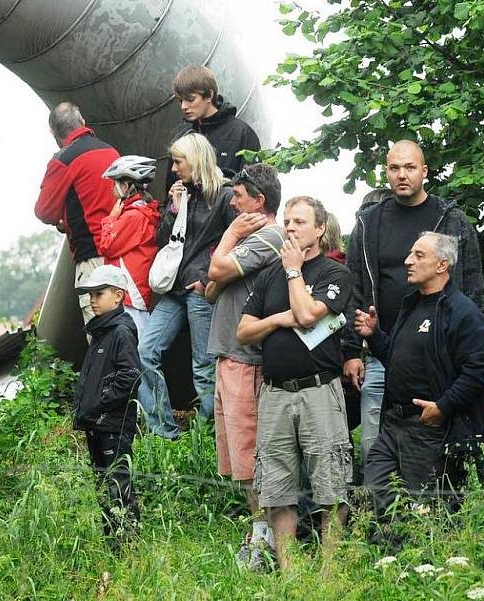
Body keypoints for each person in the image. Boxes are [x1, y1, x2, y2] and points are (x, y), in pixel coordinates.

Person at [342, 140, 484, 468]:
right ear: (387, 173)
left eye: (409, 168)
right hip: (382, 355)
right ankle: (384, 520)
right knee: (374, 449)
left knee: (438, 453)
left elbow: (475, 288)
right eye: (394, 168)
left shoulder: (452, 221)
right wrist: (351, 351)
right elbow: (355, 291)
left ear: (425, 172)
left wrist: (468, 352)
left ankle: (434, 517)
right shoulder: (368, 223)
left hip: (439, 359)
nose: (401, 175)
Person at [354, 232, 484, 548]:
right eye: (410, 254)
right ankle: (386, 566)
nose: (407, 261)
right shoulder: (411, 304)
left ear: (442, 264)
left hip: (430, 428)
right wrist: (375, 337)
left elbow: (479, 372)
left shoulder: (462, 312)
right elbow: (398, 358)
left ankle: (424, 569)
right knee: (376, 493)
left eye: (418, 255)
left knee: (425, 511)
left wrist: (442, 407)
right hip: (393, 423)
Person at [237, 196, 352, 569]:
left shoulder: (335, 274)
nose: (289, 228)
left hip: (319, 390)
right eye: (286, 221)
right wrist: (277, 320)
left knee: (330, 484)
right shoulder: (269, 273)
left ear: (320, 228)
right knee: (276, 486)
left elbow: (306, 314)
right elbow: (243, 330)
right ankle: (289, 571)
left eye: (299, 222)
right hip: (274, 394)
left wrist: (293, 272)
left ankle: (328, 572)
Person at [204, 163, 284, 569]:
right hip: (228, 357)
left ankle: (266, 540)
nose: (232, 203)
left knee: (252, 458)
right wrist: (221, 266)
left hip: (246, 361)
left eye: (238, 196)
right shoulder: (248, 241)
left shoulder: (268, 236)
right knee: (237, 460)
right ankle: (259, 531)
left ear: (259, 201)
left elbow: (215, 272)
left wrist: (230, 236)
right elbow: (210, 287)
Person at [137, 133, 235, 439]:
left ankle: (207, 441)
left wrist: (207, 279)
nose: (175, 168)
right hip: (175, 288)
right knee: (143, 351)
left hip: (200, 289)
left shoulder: (225, 195)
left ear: (195, 160)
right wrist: (174, 208)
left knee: (204, 367)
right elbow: (161, 240)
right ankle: (164, 431)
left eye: (179, 162)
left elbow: (238, 244)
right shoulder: (182, 194)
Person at [73, 264, 142, 552]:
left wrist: (100, 404)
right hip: (97, 424)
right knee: (103, 485)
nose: (92, 300)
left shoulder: (121, 331)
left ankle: (127, 546)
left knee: (118, 483)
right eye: (89, 294)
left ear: (118, 295)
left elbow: (131, 374)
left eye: (98, 293)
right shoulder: (103, 331)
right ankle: (112, 545)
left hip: (112, 424)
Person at [35, 102, 120, 324]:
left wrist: (64, 220)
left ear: (52, 132)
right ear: (82, 122)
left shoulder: (64, 159)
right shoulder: (111, 151)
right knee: (125, 330)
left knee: (100, 332)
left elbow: (44, 212)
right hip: (123, 254)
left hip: (92, 256)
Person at [98, 155, 162, 339]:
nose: (112, 189)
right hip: (130, 296)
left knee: (132, 355)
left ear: (125, 186)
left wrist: (110, 219)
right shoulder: (138, 212)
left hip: (130, 297)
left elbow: (107, 246)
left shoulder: (134, 216)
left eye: (114, 184)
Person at [166, 65, 260, 189]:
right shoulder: (181, 135)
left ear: (209, 95)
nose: (184, 106)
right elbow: (169, 185)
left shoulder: (242, 134)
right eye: (180, 100)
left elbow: (253, 190)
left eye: (190, 99)